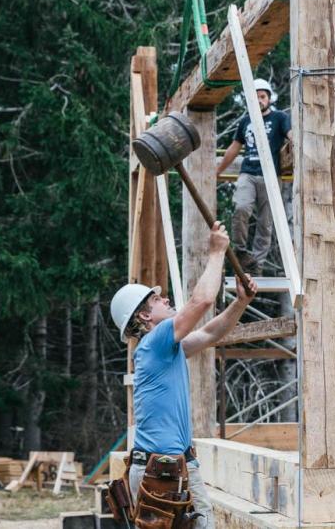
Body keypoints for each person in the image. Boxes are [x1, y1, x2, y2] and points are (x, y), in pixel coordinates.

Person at [110, 221, 257, 528]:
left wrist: (240, 302)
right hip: (161, 471)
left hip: (173, 468)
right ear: (144, 316)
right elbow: (200, 302)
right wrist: (216, 252)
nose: (165, 300)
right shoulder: (155, 341)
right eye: (156, 300)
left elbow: (210, 332)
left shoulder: (166, 349)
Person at [216, 79, 292, 271]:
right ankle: (241, 251)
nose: (259, 100)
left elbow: (292, 135)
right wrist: (217, 171)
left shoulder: (280, 118)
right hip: (248, 173)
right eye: (255, 97)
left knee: (265, 223)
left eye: (262, 96)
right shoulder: (245, 122)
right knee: (241, 207)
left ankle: (255, 265)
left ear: (268, 99)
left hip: (271, 176)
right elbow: (234, 149)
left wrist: (298, 143)